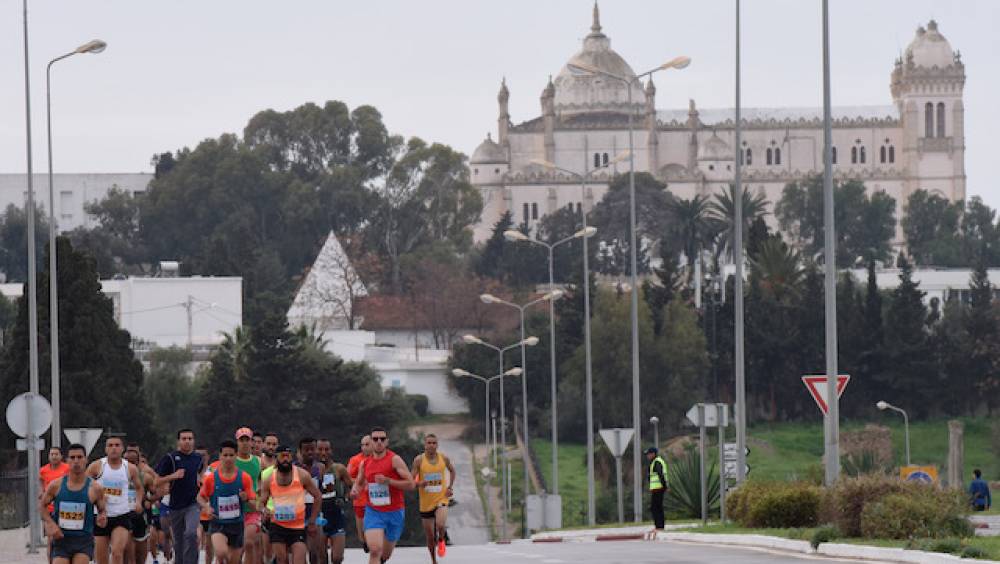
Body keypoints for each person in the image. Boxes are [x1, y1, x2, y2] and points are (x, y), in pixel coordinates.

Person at [351, 427, 415, 564]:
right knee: (374, 550)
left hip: (395, 512)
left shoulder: (395, 460)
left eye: (382, 439)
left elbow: (411, 484)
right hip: (373, 511)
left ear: (387, 442)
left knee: (385, 555)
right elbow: (359, 483)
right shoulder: (365, 463)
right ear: (371, 442)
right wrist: (355, 490)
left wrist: (389, 481)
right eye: (375, 439)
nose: (379, 442)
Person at [40, 443, 107, 564]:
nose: (76, 461)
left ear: (86, 460)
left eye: (80, 457)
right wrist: (51, 524)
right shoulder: (56, 485)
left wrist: (102, 516)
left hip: (83, 540)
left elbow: (102, 509)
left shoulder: (95, 488)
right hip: (61, 539)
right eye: (72, 457)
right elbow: (42, 506)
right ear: (67, 461)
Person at [260, 445, 323, 564]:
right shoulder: (269, 479)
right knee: (281, 559)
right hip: (277, 526)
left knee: (299, 560)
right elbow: (262, 502)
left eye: (288, 456)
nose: (285, 459)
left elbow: (318, 496)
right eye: (282, 456)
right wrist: (264, 511)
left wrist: (312, 520)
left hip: (297, 526)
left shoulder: (302, 475)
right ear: (276, 458)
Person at [86, 436, 145, 564]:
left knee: (117, 552)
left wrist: (138, 502)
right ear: (106, 449)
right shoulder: (96, 466)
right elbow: (84, 486)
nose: (114, 448)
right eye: (110, 445)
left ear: (122, 449)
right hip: (101, 516)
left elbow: (139, 488)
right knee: (102, 560)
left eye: (117, 445)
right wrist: (97, 497)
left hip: (121, 515)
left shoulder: (129, 468)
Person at [197, 440, 257, 564]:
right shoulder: (212, 478)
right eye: (225, 455)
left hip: (237, 525)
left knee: (233, 560)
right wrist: (207, 507)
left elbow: (254, 505)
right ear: (220, 456)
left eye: (231, 455)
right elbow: (200, 498)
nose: (228, 458)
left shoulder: (244, 478)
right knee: (221, 552)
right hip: (218, 523)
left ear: (236, 456)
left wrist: (246, 499)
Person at [154, 428, 204, 564]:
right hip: (175, 505)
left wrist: (200, 482)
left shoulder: (198, 458)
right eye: (184, 439)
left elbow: (199, 474)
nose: (187, 441)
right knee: (179, 542)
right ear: (178, 441)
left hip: (193, 504)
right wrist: (173, 476)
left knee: (191, 534)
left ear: (193, 441)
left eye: (190, 439)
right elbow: (156, 481)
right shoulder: (170, 458)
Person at [411, 434, 455, 562]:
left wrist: (450, 487)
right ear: (425, 445)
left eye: (434, 443)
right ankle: (433, 560)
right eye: (429, 443)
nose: (431, 445)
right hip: (426, 504)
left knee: (440, 524)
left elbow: (452, 471)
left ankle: (441, 539)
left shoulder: (443, 458)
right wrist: (419, 483)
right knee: (430, 537)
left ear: (437, 445)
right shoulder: (419, 460)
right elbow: (410, 480)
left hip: (441, 499)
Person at [317, 438, 353, 564]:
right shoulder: (311, 470)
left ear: (331, 451)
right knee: (321, 558)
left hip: (337, 516)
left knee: (337, 558)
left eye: (326, 449)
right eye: (320, 449)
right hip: (319, 516)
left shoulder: (339, 468)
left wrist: (346, 498)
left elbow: (351, 486)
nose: (323, 453)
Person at [124, 444, 156, 564]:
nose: (130, 465)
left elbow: (157, 492)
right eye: (127, 462)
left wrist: (149, 500)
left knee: (140, 552)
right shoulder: (117, 476)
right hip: (122, 515)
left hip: (139, 515)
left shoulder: (145, 477)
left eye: (132, 462)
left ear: (138, 462)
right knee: (126, 548)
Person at [235, 427, 264, 564]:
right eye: (242, 440)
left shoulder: (258, 461)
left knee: (248, 543)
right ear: (237, 442)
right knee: (236, 549)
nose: (245, 443)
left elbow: (262, 483)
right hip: (234, 509)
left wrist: (261, 501)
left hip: (252, 508)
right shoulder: (231, 460)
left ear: (252, 442)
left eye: (247, 440)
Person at [296, 437, 326, 564]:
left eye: (312, 449)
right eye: (306, 449)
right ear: (300, 451)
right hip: (297, 515)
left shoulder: (320, 467)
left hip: (314, 513)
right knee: (299, 553)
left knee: (315, 552)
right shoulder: (294, 468)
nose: (310, 452)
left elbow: (320, 491)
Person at [347, 435, 372, 553]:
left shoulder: (380, 459)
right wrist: (360, 481)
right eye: (362, 445)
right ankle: (366, 543)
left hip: (375, 501)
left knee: (374, 530)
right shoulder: (355, 460)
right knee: (362, 534)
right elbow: (346, 478)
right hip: (360, 501)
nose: (364, 447)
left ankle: (375, 548)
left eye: (367, 444)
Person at [645, 447, 668, 532]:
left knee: (656, 508)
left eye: (649, 454)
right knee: (655, 507)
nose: (647, 456)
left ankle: (659, 526)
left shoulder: (657, 462)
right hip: (656, 488)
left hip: (659, 488)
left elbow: (661, 475)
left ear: (653, 454)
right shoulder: (654, 462)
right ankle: (658, 526)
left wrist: (664, 486)